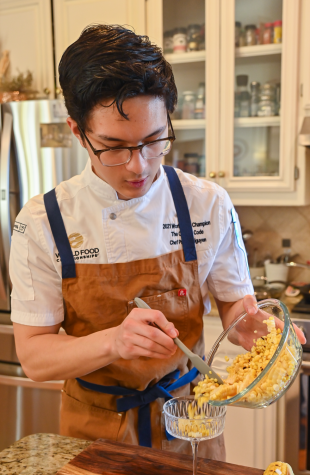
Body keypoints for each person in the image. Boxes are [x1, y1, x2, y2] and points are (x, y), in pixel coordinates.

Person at [10, 24, 305, 461]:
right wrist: (114, 342)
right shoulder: (43, 222)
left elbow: (236, 308)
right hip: (93, 431)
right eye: (114, 146)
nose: (139, 165)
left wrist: (257, 332)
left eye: (154, 141)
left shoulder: (206, 204)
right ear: (77, 131)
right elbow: (34, 357)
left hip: (191, 421)